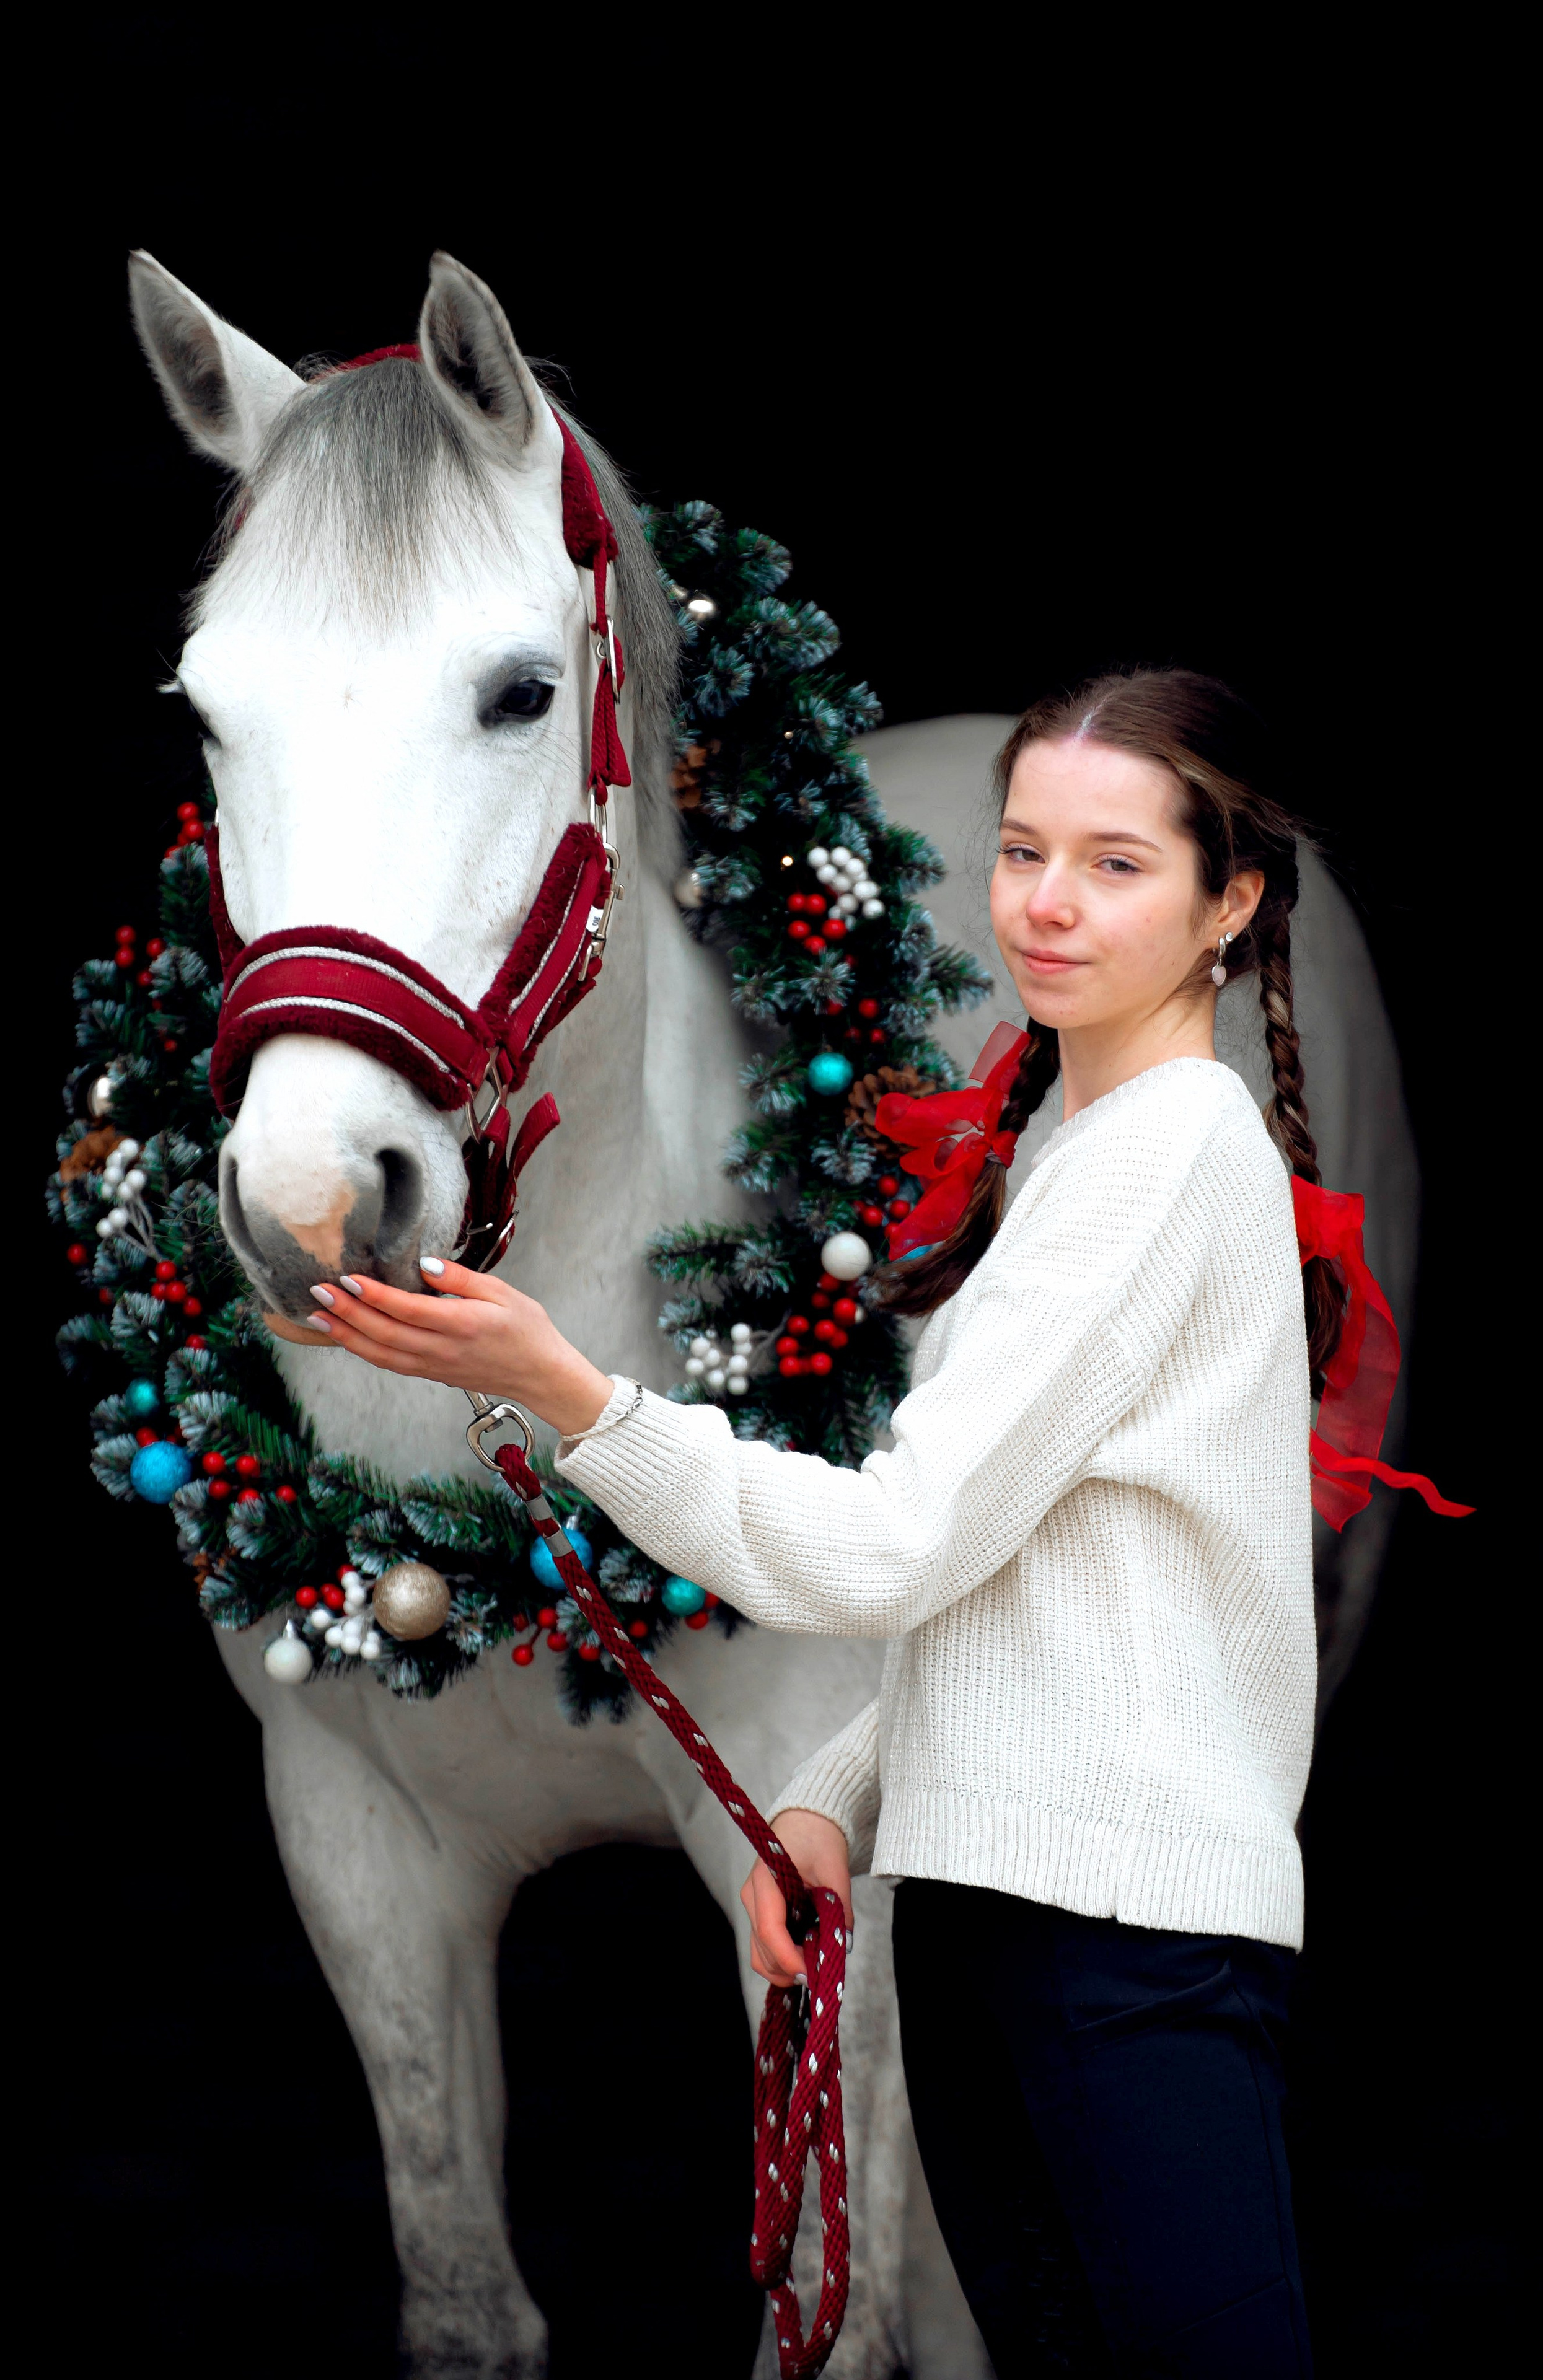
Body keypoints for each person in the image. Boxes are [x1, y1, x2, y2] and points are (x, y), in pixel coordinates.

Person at [306, 669, 1329, 2376]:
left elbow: (895, 1545)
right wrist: (839, 1790)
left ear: (1232, 901)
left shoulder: (1167, 1161)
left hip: (1126, 1954)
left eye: (1117, 864)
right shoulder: (1087, 1154)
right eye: (1020, 850)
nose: (1047, 904)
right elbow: (1026, 1578)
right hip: (1012, 1924)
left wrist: (575, 1395)